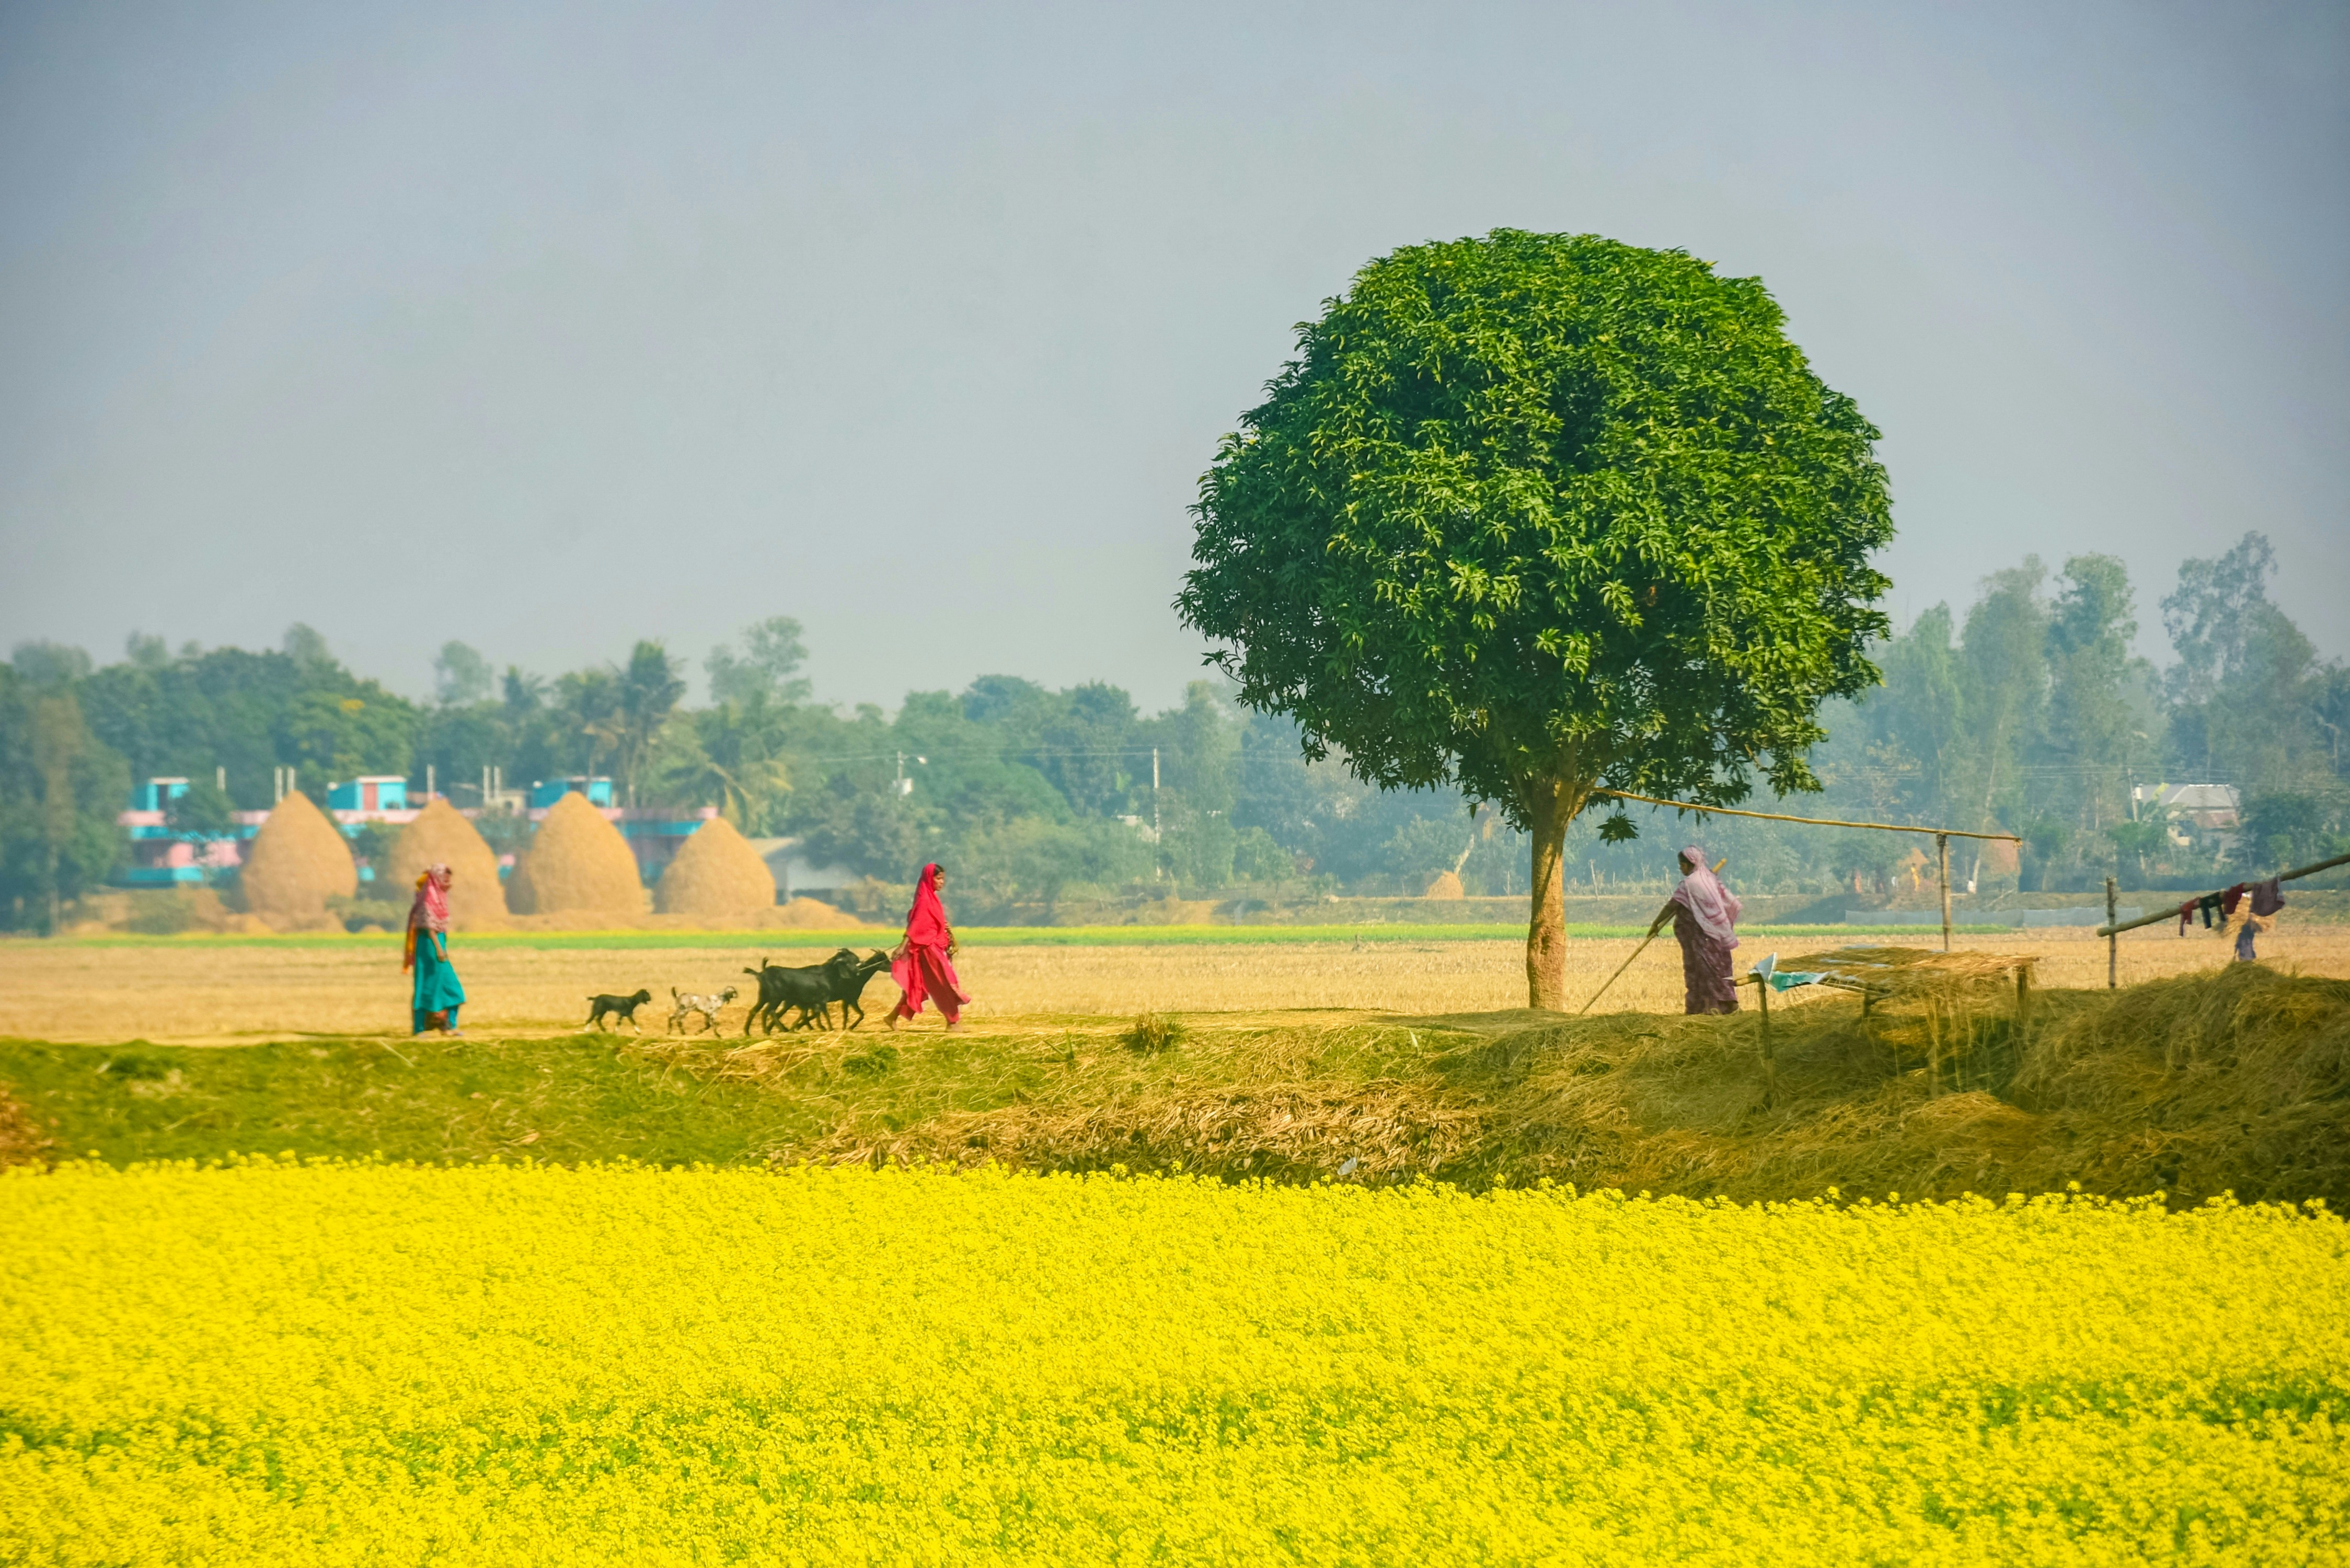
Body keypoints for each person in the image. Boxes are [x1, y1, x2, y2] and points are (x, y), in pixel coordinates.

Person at [1646, 844, 1741, 1014]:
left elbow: (1671, 907)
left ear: (1691, 864)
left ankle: (1712, 1007)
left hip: (1702, 939)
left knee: (1705, 972)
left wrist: (1656, 923)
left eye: (1683, 865)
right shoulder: (1709, 879)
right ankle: (1727, 1006)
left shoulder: (1689, 885)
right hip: (1717, 936)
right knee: (1721, 970)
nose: (1681, 869)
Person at [885, 862, 969, 1033]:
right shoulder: (924, 900)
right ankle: (953, 1022)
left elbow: (931, 922)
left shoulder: (931, 898)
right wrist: (902, 946)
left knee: (919, 985)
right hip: (927, 948)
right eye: (938, 878)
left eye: (943, 879)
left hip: (933, 945)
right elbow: (916, 924)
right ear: (929, 879)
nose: (942, 882)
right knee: (944, 982)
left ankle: (891, 1017)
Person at [403, 863, 467, 1036]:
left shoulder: (441, 898)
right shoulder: (427, 900)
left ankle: (448, 1026)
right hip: (429, 948)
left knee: (452, 988)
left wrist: (443, 947)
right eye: (445, 879)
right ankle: (419, 1029)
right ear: (436, 879)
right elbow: (429, 927)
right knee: (426, 986)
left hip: (440, 948)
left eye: (449, 880)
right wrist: (439, 949)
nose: (448, 883)